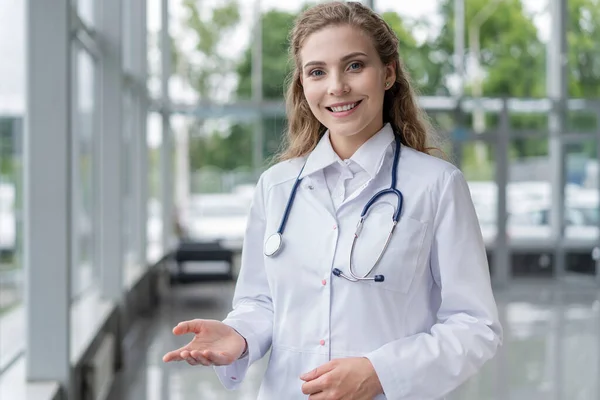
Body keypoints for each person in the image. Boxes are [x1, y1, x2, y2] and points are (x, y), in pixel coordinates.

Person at [162, 2, 503, 399]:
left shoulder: (437, 186)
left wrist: (380, 372)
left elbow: (476, 325)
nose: (337, 87)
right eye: (318, 72)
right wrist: (238, 335)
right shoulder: (276, 188)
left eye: (355, 66)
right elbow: (261, 302)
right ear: (303, 86)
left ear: (388, 73)